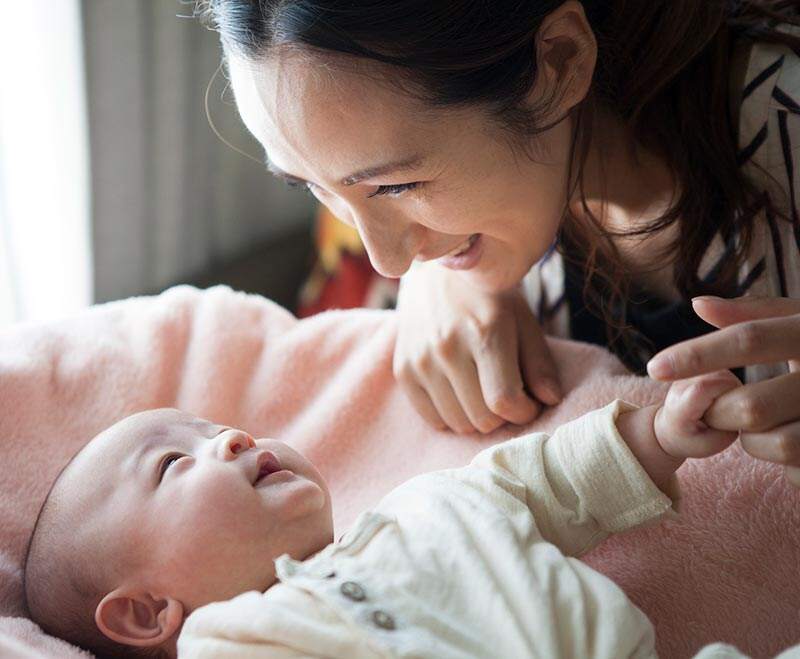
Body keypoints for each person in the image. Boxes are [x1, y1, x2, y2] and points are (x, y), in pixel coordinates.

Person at [197, 0, 800, 487]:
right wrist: (442, 276)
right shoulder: (479, 234)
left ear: (561, 63)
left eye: (397, 184)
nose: (386, 261)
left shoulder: (782, 118)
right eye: (312, 187)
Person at [26, 369, 787, 658]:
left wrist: (659, 434)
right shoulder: (236, 642)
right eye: (172, 463)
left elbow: (547, 478)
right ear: (147, 609)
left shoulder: (424, 506)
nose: (231, 435)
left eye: (210, 425)